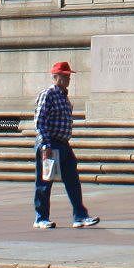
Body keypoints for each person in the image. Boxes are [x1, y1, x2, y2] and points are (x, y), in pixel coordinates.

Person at [33, 59, 99, 230]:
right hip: (50, 143)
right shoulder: (48, 94)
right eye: (64, 76)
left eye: (68, 76)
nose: (68, 79)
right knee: (44, 182)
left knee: (73, 180)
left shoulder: (64, 96)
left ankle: (80, 216)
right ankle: (41, 218)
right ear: (56, 77)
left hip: (63, 144)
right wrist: (46, 145)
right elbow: (40, 121)